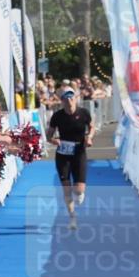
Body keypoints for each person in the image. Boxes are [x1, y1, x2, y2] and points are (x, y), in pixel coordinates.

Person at [46, 87, 93, 229]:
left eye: (71, 97)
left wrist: (89, 138)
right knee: (66, 189)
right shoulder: (57, 116)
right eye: (66, 98)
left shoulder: (84, 113)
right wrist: (54, 141)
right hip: (63, 155)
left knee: (78, 190)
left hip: (79, 152)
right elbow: (49, 135)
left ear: (76, 98)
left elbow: (91, 127)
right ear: (61, 101)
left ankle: (78, 192)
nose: (69, 100)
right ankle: (72, 218)